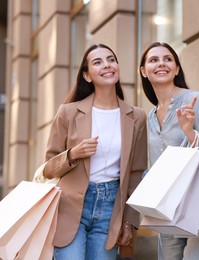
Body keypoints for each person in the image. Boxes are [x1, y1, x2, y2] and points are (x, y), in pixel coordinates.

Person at [42, 43, 148, 259]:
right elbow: (48, 168)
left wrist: (130, 222)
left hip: (111, 209)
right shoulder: (68, 113)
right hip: (71, 207)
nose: (107, 65)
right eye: (97, 62)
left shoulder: (136, 117)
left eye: (111, 60)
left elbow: (137, 174)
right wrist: (73, 154)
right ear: (87, 75)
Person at [139, 41, 199, 260]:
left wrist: (189, 131)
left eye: (168, 59)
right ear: (143, 71)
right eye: (154, 60)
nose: (161, 64)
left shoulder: (193, 100)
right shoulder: (149, 117)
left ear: (176, 68)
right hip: (169, 209)